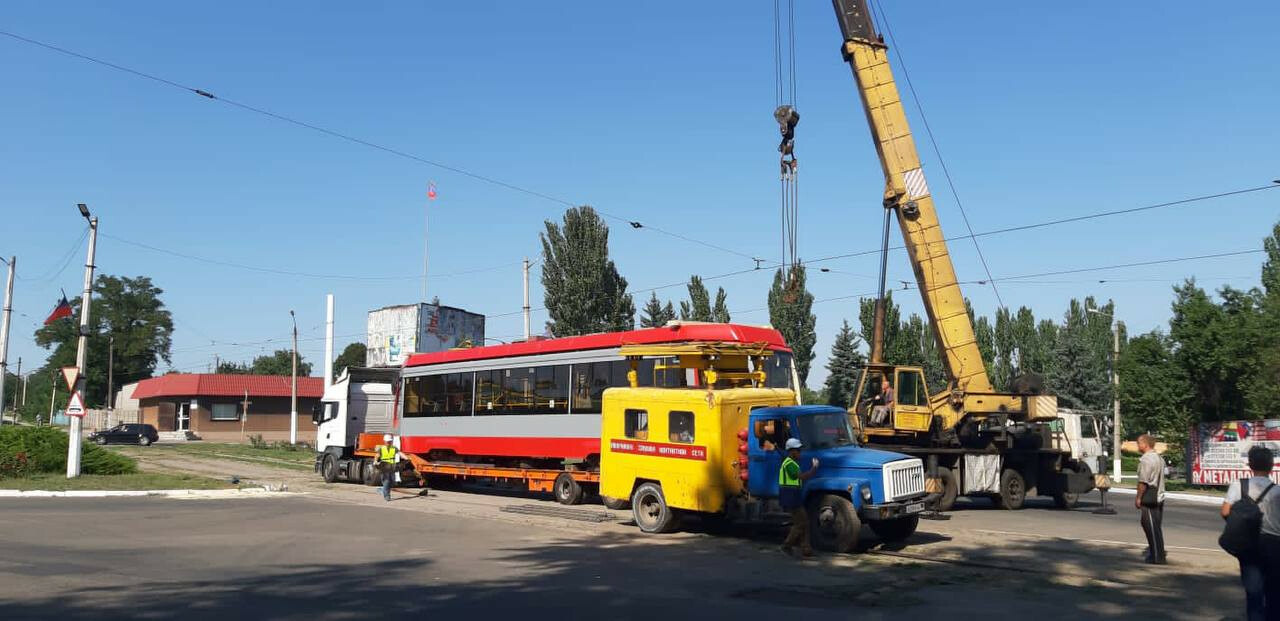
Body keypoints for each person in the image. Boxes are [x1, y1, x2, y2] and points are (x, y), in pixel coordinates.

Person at [1222, 445, 1280, 621]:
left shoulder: (1238, 485)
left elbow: (1225, 512)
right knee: (1274, 592)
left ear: (1250, 464)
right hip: (1274, 545)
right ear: (1271, 466)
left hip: (1248, 544)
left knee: (1253, 593)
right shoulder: (1278, 491)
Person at [779, 437, 820, 559]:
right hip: (790, 496)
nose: (800, 453)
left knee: (805, 522)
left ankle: (806, 549)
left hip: (793, 495)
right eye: (798, 450)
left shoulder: (792, 463)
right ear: (792, 451)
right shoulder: (789, 464)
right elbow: (801, 477)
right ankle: (787, 545)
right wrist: (814, 468)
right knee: (800, 523)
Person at [1136, 434, 1167, 564]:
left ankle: (1156, 557)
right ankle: (1158, 554)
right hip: (1159, 495)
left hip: (1150, 496)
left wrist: (1138, 498)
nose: (1138, 446)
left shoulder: (1146, 460)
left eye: (1139, 443)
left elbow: (1143, 482)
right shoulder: (1159, 458)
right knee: (1155, 525)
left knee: (1151, 527)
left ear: (1145, 444)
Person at [376, 434, 402, 502]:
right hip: (384, 467)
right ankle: (387, 496)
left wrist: (407, 458)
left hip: (392, 467)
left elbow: (400, 453)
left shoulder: (394, 448)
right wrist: (376, 461)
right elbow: (377, 456)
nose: (389, 443)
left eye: (390, 441)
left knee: (392, 482)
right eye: (388, 441)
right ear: (384, 441)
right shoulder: (381, 449)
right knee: (386, 481)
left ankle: (382, 490)